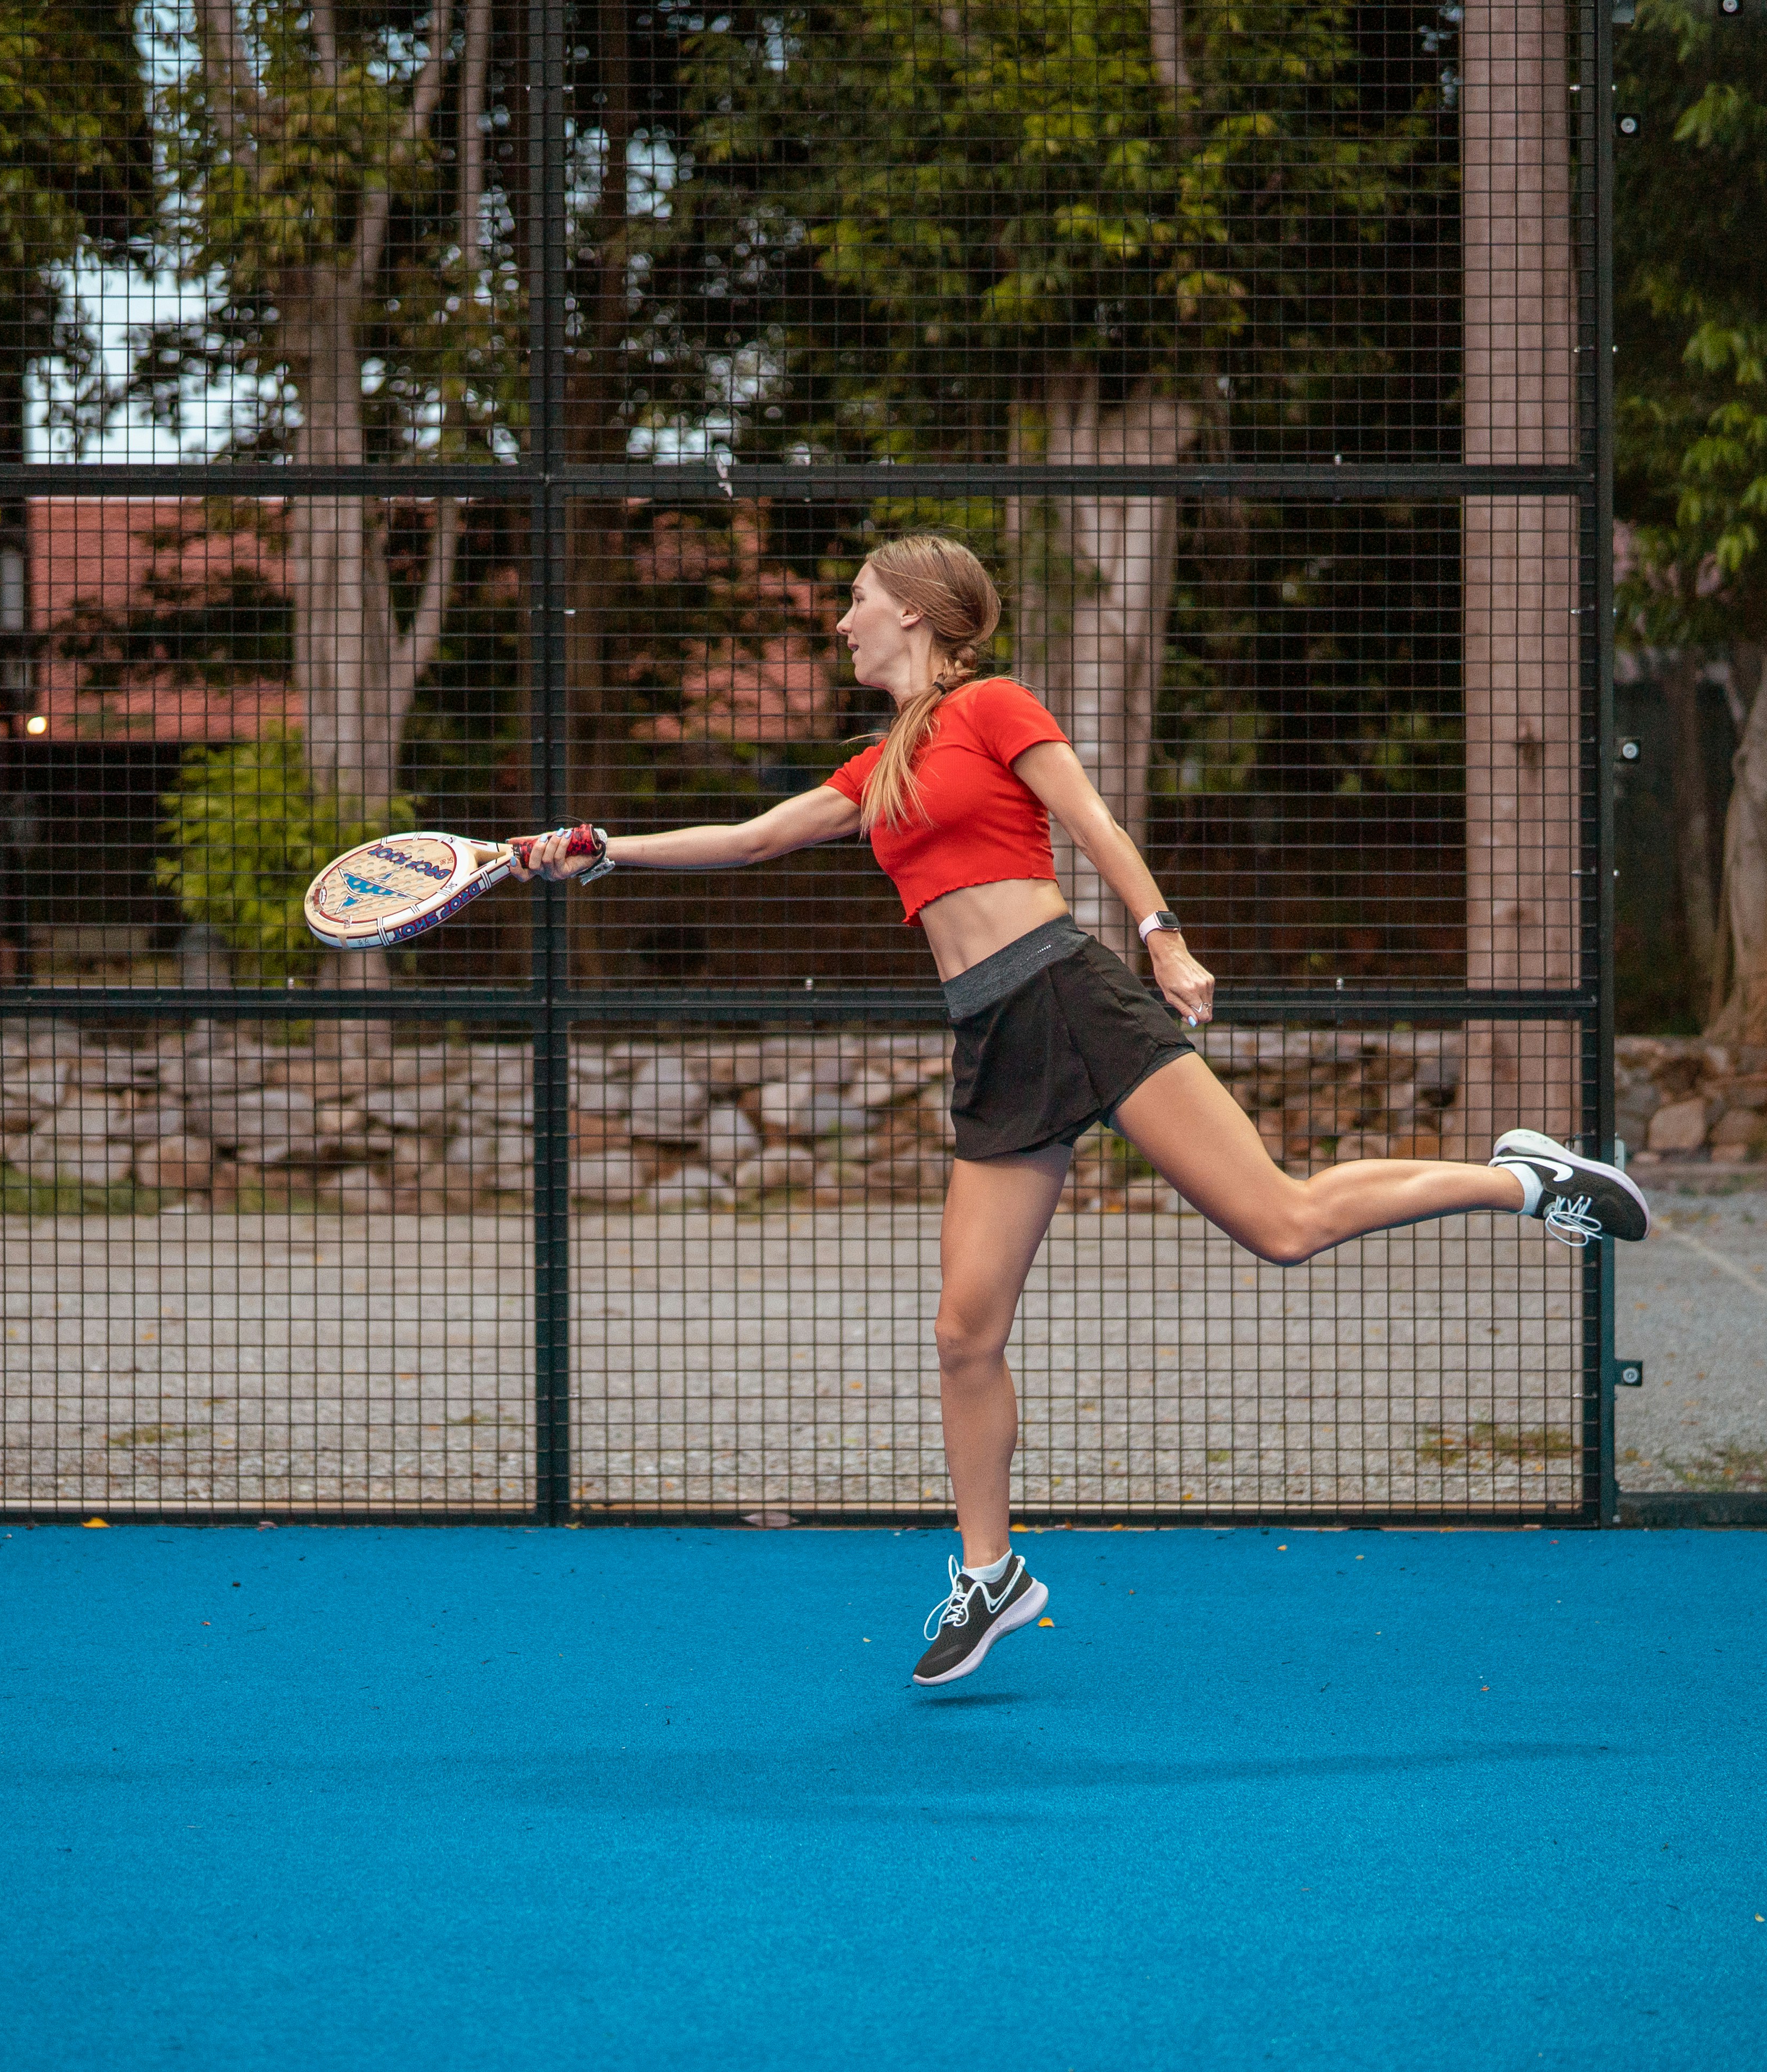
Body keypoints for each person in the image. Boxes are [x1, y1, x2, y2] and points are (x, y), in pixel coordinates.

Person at [511, 533, 1646, 1688]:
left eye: (855, 601)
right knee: (965, 1331)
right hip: (994, 1035)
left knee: (1283, 1222)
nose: (840, 620)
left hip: (1074, 991)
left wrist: (1164, 938)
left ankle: (1523, 1177)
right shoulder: (880, 763)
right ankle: (989, 1573)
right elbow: (751, 838)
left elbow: (1095, 821)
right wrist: (605, 850)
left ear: (913, 612)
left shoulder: (995, 705)